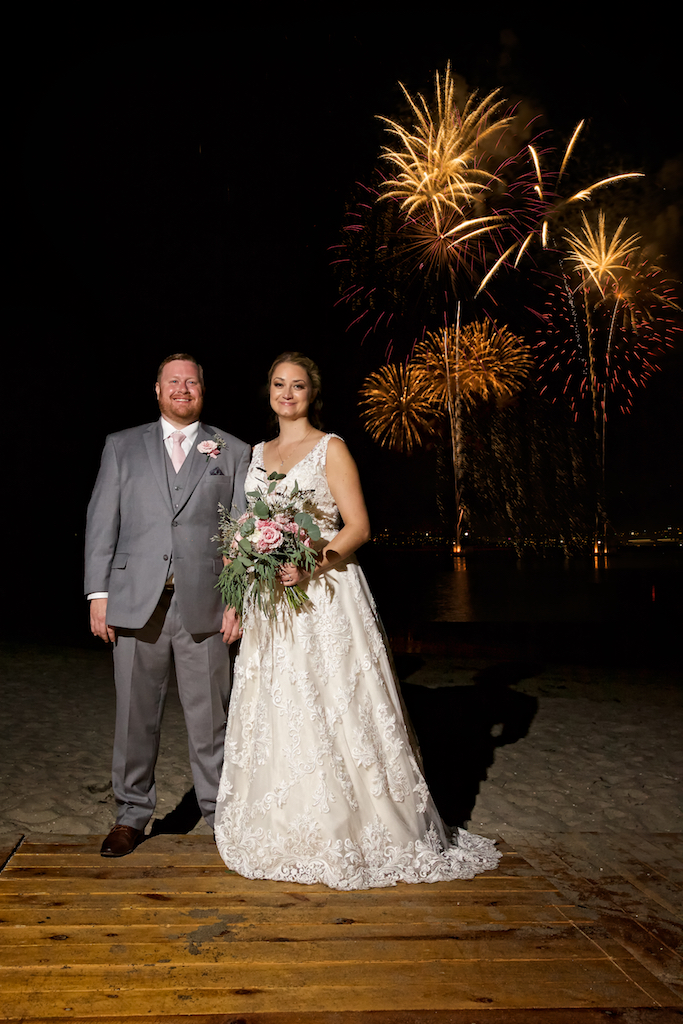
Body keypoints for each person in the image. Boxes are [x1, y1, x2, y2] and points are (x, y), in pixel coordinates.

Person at [214, 352, 501, 889]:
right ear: (269, 391)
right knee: (281, 705)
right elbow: (246, 526)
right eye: (279, 384)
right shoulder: (255, 453)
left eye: (297, 385)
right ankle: (285, 823)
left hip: (323, 595)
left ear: (311, 393)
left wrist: (308, 563)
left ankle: (352, 825)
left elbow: (359, 527)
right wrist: (245, 566)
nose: (287, 393)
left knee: (334, 702)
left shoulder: (331, 448)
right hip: (270, 603)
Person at [85, 354, 251, 857]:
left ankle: (222, 816)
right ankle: (131, 815)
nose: (183, 389)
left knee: (211, 721)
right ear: (156, 389)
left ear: (203, 389)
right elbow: (101, 524)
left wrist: (237, 600)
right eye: (174, 381)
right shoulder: (122, 446)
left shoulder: (233, 450)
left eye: (192, 382)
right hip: (137, 603)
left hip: (205, 603)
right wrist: (99, 596)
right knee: (135, 717)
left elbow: (240, 534)